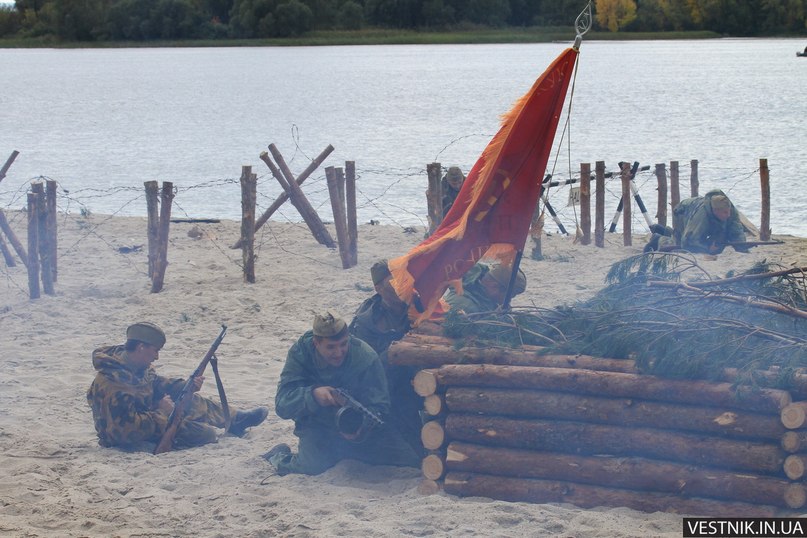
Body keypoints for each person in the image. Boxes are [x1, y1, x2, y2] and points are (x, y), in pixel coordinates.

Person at [263, 311, 420, 476]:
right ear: (316, 343)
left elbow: (380, 405)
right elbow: (282, 404)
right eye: (331, 347)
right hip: (318, 426)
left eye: (343, 344)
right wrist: (313, 395)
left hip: (359, 427)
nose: (338, 353)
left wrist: (362, 427)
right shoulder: (300, 354)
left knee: (408, 460)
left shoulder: (365, 357)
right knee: (311, 467)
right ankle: (277, 456)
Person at [87, 322, 268, 450]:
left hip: (147, 415)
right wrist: (162, 412)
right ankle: (151, 446)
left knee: (189, 399)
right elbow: (124, 431)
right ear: (141, 347)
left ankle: (235, 419)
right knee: (206, 434)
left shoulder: (133, 364)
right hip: (127, 437)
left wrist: (186, 386)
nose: (156, 357)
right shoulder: (113, 384)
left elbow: (155, 383)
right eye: (155, 351)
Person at [644, 189, 746, 254]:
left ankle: (665, 231)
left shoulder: (730, 210)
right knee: (678, 244)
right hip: (682, 211)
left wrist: (742, 247)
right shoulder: (701, 217)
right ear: (715, 211)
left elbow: (737, 230)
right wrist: (707, 248)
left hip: (699, 212)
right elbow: (688, 242)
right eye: (724, 213)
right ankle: (658, 239)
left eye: (728, 211)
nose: (728, 215)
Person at [445, 262, 527, 314]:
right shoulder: (464, 305)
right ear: (494, 286)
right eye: (509, 296)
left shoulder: (487, 297)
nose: (509, 301)